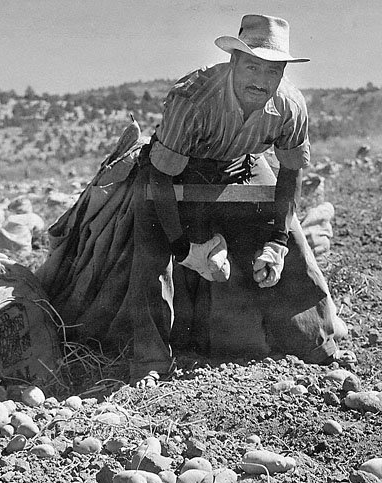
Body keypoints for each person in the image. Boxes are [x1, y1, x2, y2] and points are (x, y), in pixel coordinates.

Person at [37, 15, 346, 386]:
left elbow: (291, 173)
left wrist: (277, 241)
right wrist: (184, 249)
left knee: (293, 240)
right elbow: (163, 175)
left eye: (272, 71)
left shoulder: (291, 106)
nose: (261, 81)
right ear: (233, 62)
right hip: (176, 169)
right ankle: (150, 360)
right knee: (151, 246)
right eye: (252, 67)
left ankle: (314, 343)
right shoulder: (193, 97)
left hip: (241, 163)